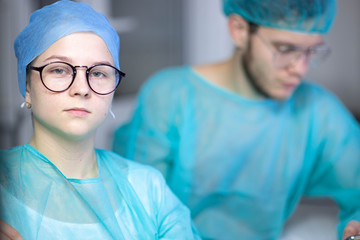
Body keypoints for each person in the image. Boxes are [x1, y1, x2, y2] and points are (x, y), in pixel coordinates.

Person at [112, 0, 360, 239]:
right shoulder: (170, 96)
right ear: (239, 30)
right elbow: (139, 213)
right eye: (285, 50)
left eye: (311, 51)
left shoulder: (318, 110)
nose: (300, 68)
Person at [0, 1, 200, 239]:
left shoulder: (148, 190)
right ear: (27, 86)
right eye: (59, 70)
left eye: (98, 73)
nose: (82, 89)